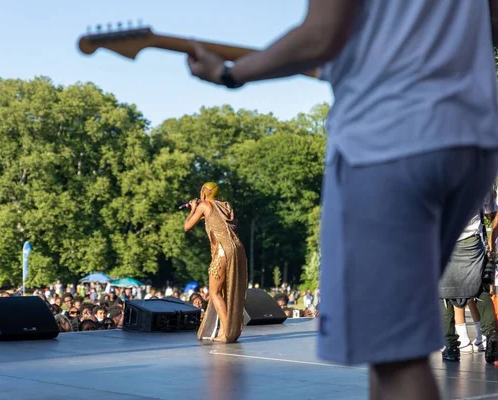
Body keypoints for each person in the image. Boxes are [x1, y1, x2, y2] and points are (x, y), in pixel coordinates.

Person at [185, 1, 498, 399]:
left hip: (392, 141)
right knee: (392, 347)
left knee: (394, 358)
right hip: (472, 138)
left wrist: (229, 73)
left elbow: (321, 34)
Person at [440, 184, 498, 363]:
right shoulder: (481, 180)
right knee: (480, 289)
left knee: (444, 294)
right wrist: (490, 241)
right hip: (472, 244)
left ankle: (451, 347)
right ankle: (492, 339)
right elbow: (493, 214)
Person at [183, 182, 248, 343]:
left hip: (222, 250)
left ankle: (227, 332)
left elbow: (187, 226)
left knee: (214, 292)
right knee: (226, 290)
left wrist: (193, 208)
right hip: (237, 248)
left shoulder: (204, 204)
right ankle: (226, 331)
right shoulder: (225, 206)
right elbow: (214, 219)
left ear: (204, 193)